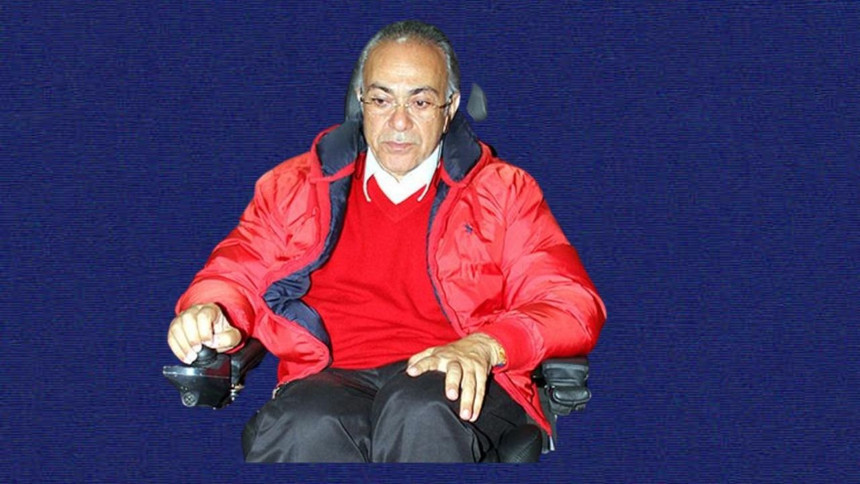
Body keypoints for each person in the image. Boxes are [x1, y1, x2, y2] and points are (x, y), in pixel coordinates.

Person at [166, 20, 606, 463]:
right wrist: (210, 310)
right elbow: (234, 273)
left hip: (455, 378)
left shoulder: (504, 192)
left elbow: (570, 303)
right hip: (330, 377)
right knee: (304, 425)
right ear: (361, 102)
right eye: (381, 100)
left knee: (419, 411)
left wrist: (488, 344)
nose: (398, 122)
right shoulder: (293, 187)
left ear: (449, 108)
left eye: (420, 102)